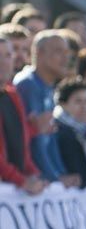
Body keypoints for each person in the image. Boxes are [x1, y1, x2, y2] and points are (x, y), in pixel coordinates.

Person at [14, 30, 77, 186]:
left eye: (67, 52)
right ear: (39, 53)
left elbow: (50, 139)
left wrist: (61, 173)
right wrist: (55, 179)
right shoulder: (28, 86)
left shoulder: (47, 87)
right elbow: (35, 141)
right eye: (58, 51)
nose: (65, 58)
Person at [0, 35, 45, 193]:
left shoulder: (13, 96)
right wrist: (22, 181)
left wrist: (34, 175)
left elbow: (21, 145)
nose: (3, 62)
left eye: (7, 55)